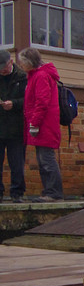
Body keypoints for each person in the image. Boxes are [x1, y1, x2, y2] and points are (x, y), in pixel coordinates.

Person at [19, 47, 63, 202]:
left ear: (29, 62)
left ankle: (54, 192)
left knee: (46, 159)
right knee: (43, 158)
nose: (21, 66)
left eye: (23, 62)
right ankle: (49, 191)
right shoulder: (37, 75)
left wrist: (34, 123)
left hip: (44, 124)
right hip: (43, 123)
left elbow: (42, 102)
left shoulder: (41, 76)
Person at [0, 50, 27, 202]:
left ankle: (17, 193)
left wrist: (14, 104)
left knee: (16, 162)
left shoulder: (22, 77)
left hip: (16, 127)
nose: (2, 71)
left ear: (11, 62)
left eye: (4, 67)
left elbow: (27, 100)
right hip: (1, 124)